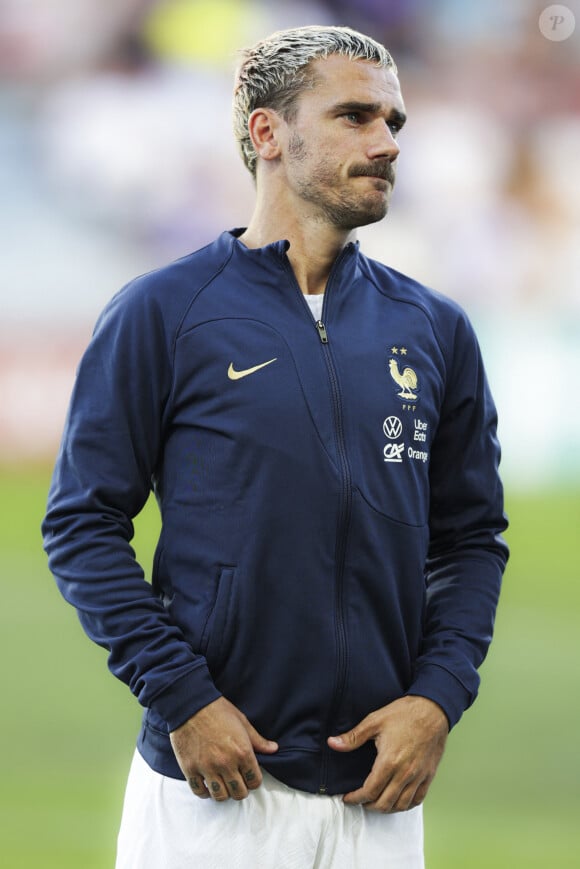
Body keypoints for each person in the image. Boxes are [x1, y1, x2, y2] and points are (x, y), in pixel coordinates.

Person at [42, 24, 509, 869]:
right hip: (212, 795)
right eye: (355, 117)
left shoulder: (436, 329)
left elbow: (472, 538)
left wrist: (437, 699)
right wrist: (182, 699)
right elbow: (82, 524)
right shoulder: (163, 312)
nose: (385, 143)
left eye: (394, 124)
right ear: (268, 133)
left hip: (380, 801)